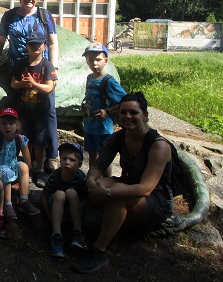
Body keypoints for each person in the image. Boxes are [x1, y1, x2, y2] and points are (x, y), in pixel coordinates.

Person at [72, 92, 174, 273]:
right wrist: (92, 180)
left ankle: (99, 251)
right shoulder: (119, 137)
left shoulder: (158, 145)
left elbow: (146, 188)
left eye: (133, 113)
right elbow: (99, 165)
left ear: (145, 116)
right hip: (127, 187)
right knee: (101, 183)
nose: (127, 117)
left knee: (117, 194)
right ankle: (76, 229)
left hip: (154, 203)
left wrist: (109, 193)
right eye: (123, 112)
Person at [0, 0, 60, 173]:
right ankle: (24, 154)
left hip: (40, 69)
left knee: (47, 111)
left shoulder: (44, 15)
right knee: (22, 110)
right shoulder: (10, 16)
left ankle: (51, 155)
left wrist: (54, 68)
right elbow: (0, 40)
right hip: (18, 68)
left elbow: (52, 42)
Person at [11, 31, 58, 188]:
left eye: (38, 44)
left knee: (40, 141)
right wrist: (24, 84)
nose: (35, 46)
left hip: (41, 111)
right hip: (25, 110)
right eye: (32, 44)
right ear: (27, 46)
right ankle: (28, 168)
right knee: (26, 140)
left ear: (44, 46)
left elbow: (49, 87)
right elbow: (13, 84)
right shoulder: (22, 64)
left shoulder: (46, 65)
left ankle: (39, 170)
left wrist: (33, 83)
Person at [81, 42, 127, 169]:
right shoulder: (90, 78)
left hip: (103, 129)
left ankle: (105, 182)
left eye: (98, 59)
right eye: (90, 60)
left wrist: (108, 111)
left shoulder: (109, 81)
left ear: (106, 60)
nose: (94, 63)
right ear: (86, 61)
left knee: (104, 158)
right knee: (91, 155)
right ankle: (91, 179)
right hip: (89, 126)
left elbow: (125, 101)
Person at [41, 142, 88, 259]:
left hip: (74, 207)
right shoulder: (54, 176)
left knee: (71, 192)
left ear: (79, 164)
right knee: (60, 194)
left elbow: (87, 198)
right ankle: (56, 235)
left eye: (72, 160)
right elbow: (44, 195)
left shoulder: (81, 179)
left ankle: (78, 233)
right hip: (57, 205)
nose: (67, 162)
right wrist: (49, 215)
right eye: (64, 158)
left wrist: (84, 214)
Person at [0, 107, 40, 221]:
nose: (7, 126)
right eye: (4, 123)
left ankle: (24, 200)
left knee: (23, 166)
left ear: (17, 125)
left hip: (12, 166)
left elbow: (27, 161)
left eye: (11, 123)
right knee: (5, 171)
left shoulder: (20, 139)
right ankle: (7, 204)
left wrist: (22, 180)